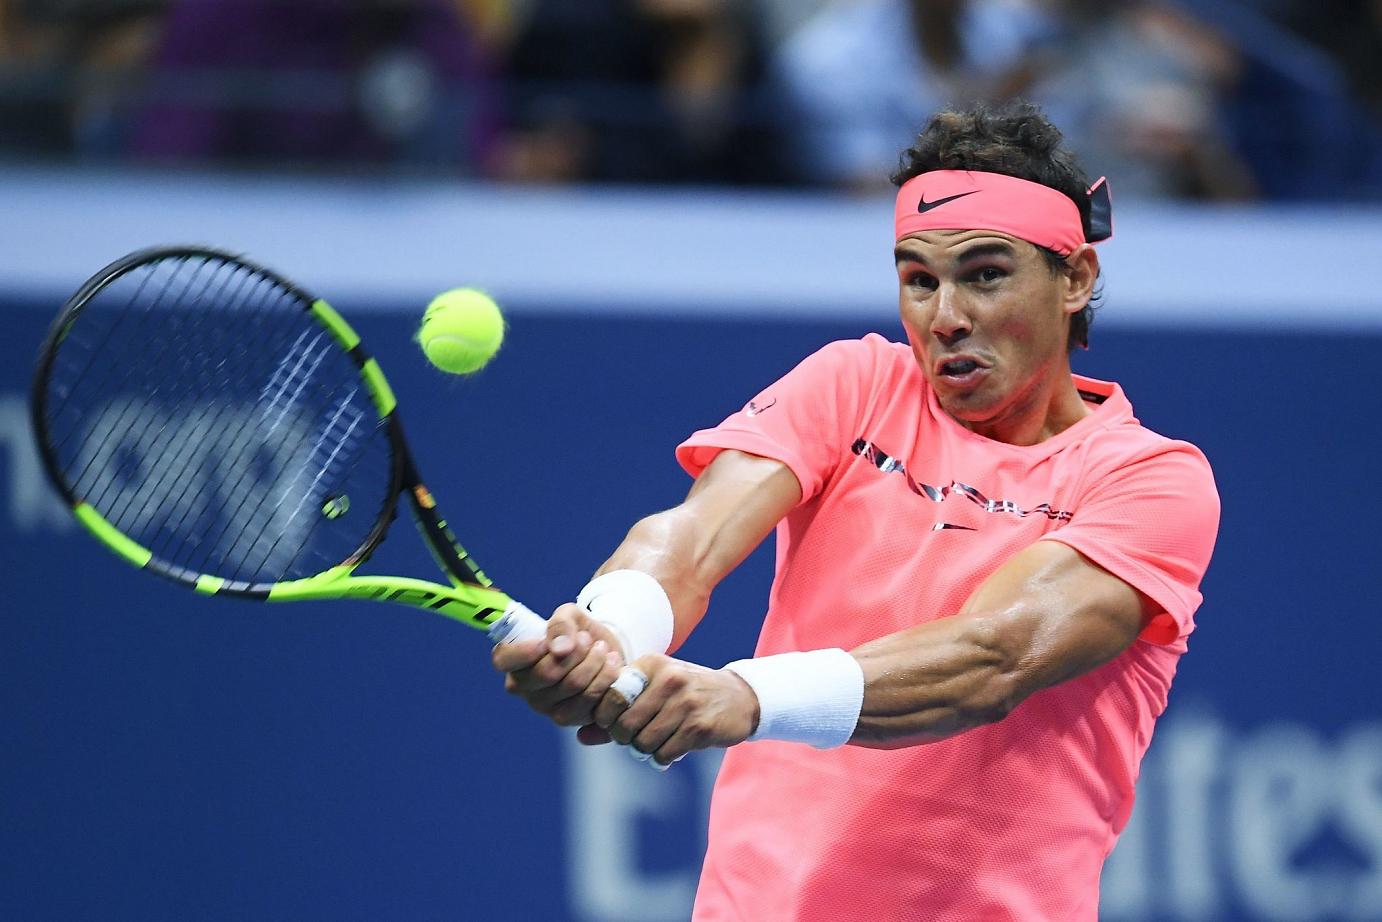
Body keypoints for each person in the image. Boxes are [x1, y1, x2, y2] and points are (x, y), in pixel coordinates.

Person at [493, 100, 1220, 920]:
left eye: (985, 274)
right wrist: (612, 630)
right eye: (919, 280)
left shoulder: (1150, 480)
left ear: (1076, 278)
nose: (946, 317)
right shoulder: (855, 382)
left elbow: (994, 656)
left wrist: (747, 698)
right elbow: (691, 537)